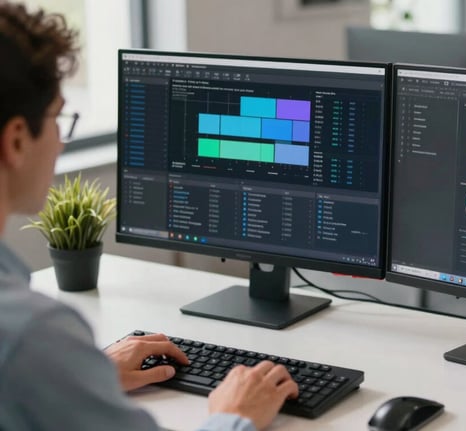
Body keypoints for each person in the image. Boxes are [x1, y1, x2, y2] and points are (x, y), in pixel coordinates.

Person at [0, 2, 298, 430]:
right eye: (56, 119)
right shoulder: (32, 336)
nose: (60, 142)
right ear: (15, 141)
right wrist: (236, 416)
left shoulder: (36, 348)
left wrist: (80, 376)